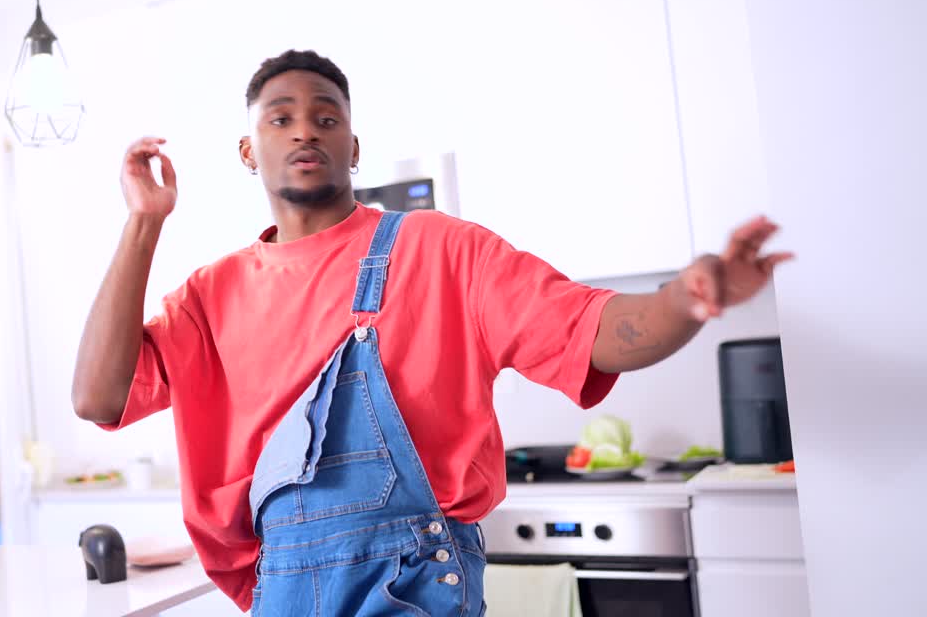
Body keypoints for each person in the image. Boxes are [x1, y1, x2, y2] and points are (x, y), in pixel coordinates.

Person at [71, 49, 791, 615]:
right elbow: (98, 398)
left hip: (415, 587)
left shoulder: (444, 250)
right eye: (280, 117)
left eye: (327, 117)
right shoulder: (208, 294)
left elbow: (599, 328)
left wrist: (686, 300)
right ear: (246, 150)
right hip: (278, 591)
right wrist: (144, 221)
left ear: (354, 147)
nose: (304, 130)